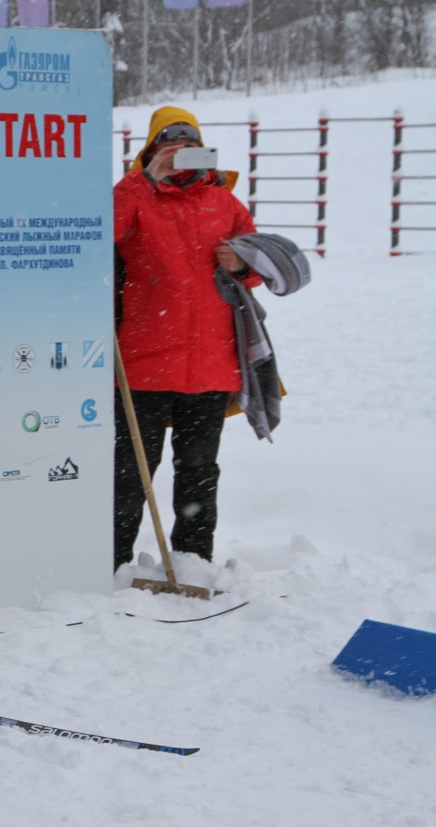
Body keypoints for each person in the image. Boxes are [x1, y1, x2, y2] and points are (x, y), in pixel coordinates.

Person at [112, 105, 261, 572]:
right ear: (150, 149)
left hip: (210, 365)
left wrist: (242, 265)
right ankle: (109, 562)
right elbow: (94, 236)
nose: (178, 154)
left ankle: (194, 560)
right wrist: (144, 180)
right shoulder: (134, 194)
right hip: (144, 363)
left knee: (199, 472)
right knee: (129, 474)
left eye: (188, 145)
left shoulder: (225, 200)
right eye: (166, 144)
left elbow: (260, 260)